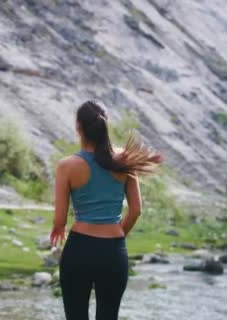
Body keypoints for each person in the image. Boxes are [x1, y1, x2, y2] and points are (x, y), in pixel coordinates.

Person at [50, 101, 163, 320]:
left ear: (78, 127)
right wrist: (117, 236)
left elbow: (60, 219)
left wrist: (57, 228)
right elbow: (136, 209)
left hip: (79, 249)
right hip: (113, 252)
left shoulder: (67, 166)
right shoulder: (124, 160)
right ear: (105, 126)